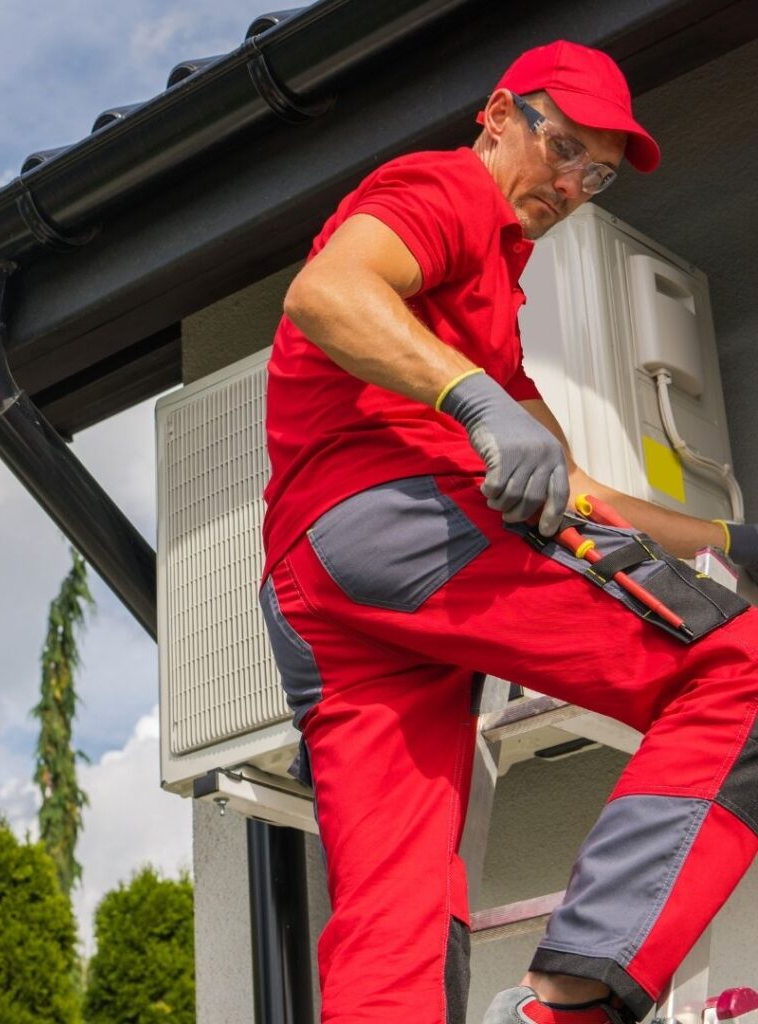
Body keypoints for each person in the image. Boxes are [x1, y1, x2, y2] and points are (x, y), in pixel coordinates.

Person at [258, 39, 758, 1024]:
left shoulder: (489, 297)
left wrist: (730, 542)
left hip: (320, 589)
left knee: (393, 904)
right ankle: (567, 1006)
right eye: (562, 146)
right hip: (397, 520)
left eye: (597, 172)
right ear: (497, 114)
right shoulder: (445, 191)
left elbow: (577, 493)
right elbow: (324, 292)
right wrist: (474, 399)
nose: (573, 183)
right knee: (741, 665)